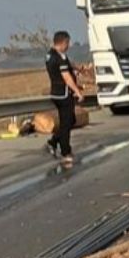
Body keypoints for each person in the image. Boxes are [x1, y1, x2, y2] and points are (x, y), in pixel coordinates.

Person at [45, 30, 84, 165]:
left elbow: (67, 63)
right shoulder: (60, 57)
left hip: (55, 93)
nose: (69, 45)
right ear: (62, 43)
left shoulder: (50, 55)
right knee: (66, 123)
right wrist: (77, 92)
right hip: (64, 94)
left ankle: (53, 142)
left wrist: (77, 67)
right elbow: (66, 77)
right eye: (67, 43)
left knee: (70, 120)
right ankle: (65, 152)